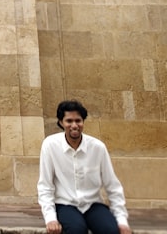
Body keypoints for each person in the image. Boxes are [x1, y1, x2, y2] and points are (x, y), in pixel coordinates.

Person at [37, 99, 131, 234]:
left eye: (78, 120)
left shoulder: (98, 147)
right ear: (61, 123)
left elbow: (113, 186)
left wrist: (122, 221)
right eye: (69, 121)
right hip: (65, 204)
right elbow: (45, 185)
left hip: (93, 204)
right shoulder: (50, 145)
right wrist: (50, 218)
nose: (74, 125)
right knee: (76, 230)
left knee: (110, 230)